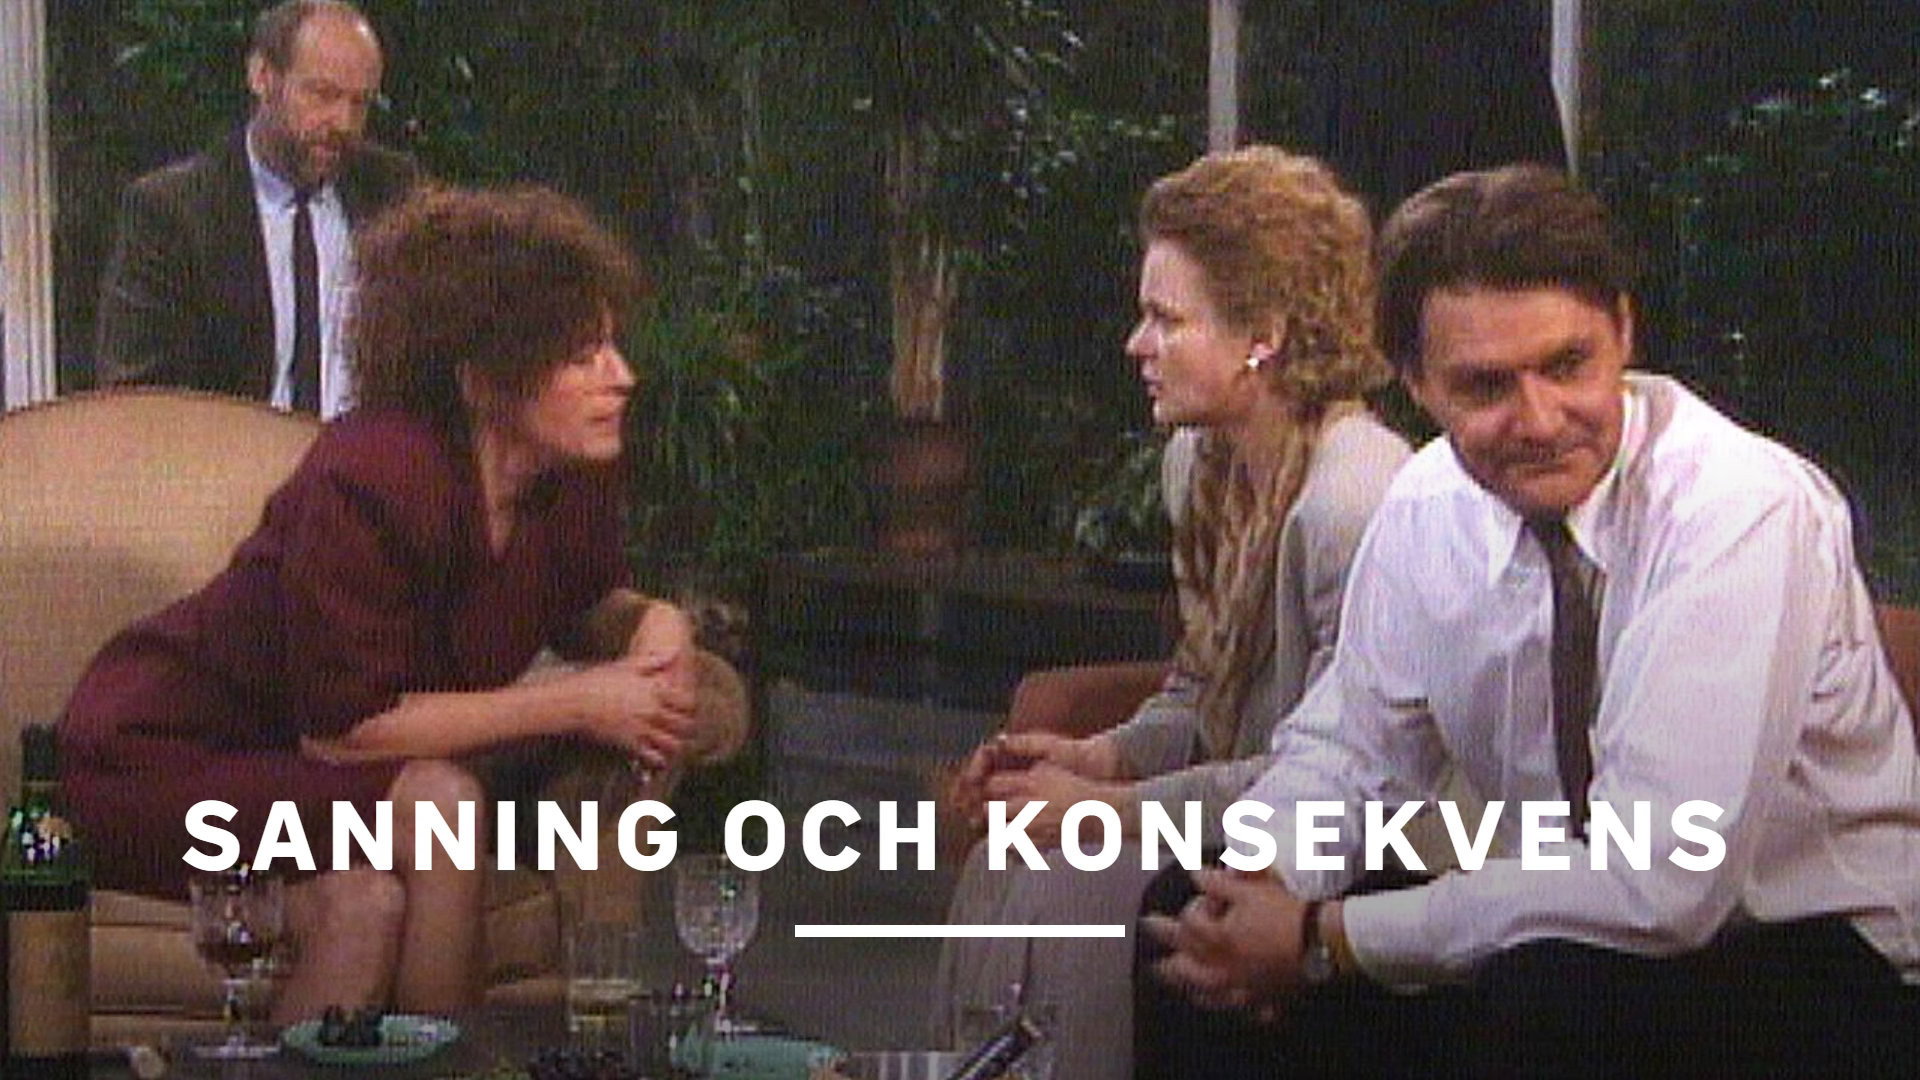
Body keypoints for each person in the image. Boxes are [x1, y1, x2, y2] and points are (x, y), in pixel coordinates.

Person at [1140, 164, 1920, 1077]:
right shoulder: (1427, 505)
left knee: (1552, 991)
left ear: (1622, 331)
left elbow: (1663, 878)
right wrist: (1260, 883)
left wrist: (1323, 934)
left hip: (1831, 958)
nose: (1540, 420)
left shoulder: (1737, 509)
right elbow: (1349, 750)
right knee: (1188, 916)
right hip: (1566, 934)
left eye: (1566, 365)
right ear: (1417, 383)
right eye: (1485, 387)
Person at [62, 185, 744, 1021]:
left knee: (365, 906)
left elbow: (585, 602)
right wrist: (579, 700)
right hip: (155, 758)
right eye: (582, 356)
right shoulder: (372, 474)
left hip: (299, 784)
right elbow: (344, 732)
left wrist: (659, 624)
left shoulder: (569, 479)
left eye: (612, 346)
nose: (622, 377)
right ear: (483, 378)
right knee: (440, 803)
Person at [936, 146, 1410, 1079]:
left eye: (1166, 318)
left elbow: (1341, 770)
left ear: (1263, 333)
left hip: (1353, 846)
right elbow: (1200, 689)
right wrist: (1096, 758)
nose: (1136, 345)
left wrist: (1113, 811)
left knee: (1076, 875)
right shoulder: (1200, 464)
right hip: (1242, 807)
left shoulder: (1356, 500)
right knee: (1012, 851)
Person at [95, 0, 418, 415]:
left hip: (361, 452)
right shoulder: (173, 213)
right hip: (228, 453)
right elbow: (139, 399)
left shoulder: (392, 194)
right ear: (262, 76)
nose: (343, 122)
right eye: (323, 95)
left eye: (360, 103)